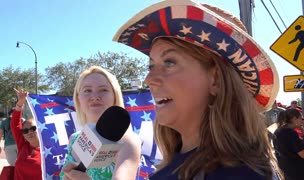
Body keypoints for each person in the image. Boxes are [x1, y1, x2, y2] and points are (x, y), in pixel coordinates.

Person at [113, 0, 282, 179]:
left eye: (169, 62)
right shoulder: (166, 171)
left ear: (215, 79)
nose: (149, 79)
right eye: (151, 66)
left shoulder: (240, 174)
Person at [60, 66, 141, 180]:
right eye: (87, 90)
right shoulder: (74, 139)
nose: (95, 97)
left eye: (103, 90)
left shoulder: (127, 141)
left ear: (114, 95)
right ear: (78, 99)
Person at [11, 89, 42, 180]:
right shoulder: (23, 146)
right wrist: (20, 103)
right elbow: (15, 123)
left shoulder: (48, 150)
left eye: (33, 128)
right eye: (25, 131)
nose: (29, 132)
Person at [273, 109, 304, 180]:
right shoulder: (291, 133)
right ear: (294, 119)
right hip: (297, 171)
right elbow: (302, 154)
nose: (302, 121)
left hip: (285, 170)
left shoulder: (277, 132)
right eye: (301, 118)